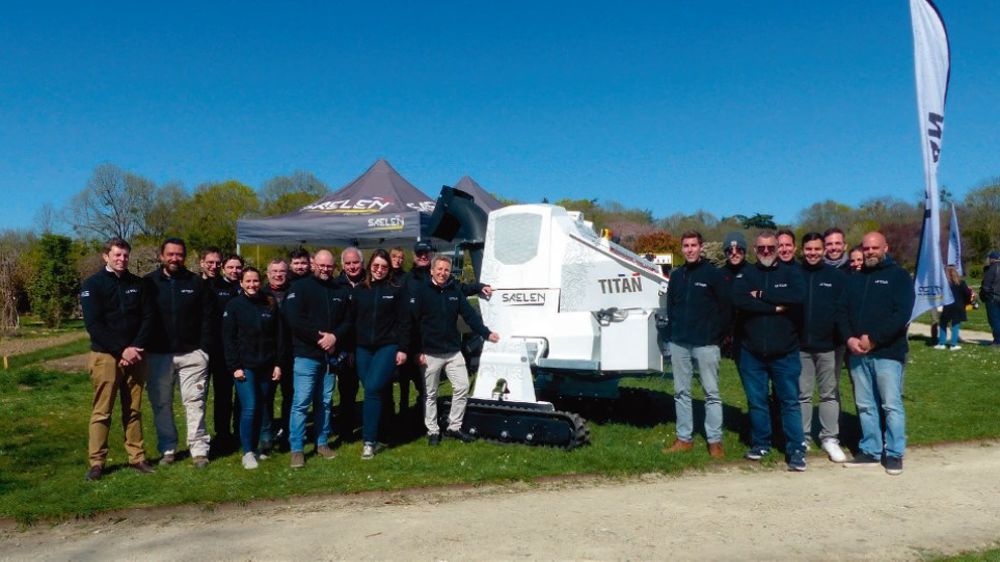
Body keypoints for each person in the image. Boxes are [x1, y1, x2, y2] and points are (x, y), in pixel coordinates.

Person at [79, 238, 155, 481]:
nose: (122, 259)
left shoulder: (138, 284)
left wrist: (133, 348)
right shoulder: (92, 285)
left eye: (125, 255)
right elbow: (95, 324)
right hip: (105, 356)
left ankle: (137, 457)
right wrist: (121, 350)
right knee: (102, 411)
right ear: (106, 256)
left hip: (136, 356)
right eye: (117, 255)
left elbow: (148, 318)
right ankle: (97, 462)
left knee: (133, 410)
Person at [731, 231, 807, 471]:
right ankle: (761, 443)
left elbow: (797, 296)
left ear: (777, 249)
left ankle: (796, 448)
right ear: (755, 250)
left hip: (785, 352)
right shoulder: (746, 274)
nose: (766, 252)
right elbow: (738, 300)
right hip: (752, 352)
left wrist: (762, 295)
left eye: (771, 248)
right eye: (761, 248)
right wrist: (774, 308)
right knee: (757, 401)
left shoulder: (791, 272)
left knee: (790, 402)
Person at [839, 232, 914, 475]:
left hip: (887, 352)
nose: (870, 252)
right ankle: (870, 449)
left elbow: (901, 314)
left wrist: (874, 339)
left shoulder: (899, 277)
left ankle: (894, 453)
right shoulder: (854, 279)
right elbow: (841, 312)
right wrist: (849, 338)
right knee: (865, 404)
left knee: (891, 404)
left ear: (886, 248)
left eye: (875, 248)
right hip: (857, 353)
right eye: (867, 248)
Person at [410, 254, 499, 445]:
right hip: (429, 353)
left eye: (446, 270)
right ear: (432, 271)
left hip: (452, 351)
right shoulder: (421, 292)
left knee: (462, 387)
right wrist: (418, 351)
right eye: (439, 269)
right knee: (430, 394)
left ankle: (454, 427)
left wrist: (486, 333)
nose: (443, 273)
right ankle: (432, 431)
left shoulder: (454, 291)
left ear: (450, 272)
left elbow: (470, 316)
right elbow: (412, 324)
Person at [144, 237, 215, 468]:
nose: (175, 258)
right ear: (161, 256)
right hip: (158, 354)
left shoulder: (196, 283)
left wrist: (203, 350)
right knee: (161, 403)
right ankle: (168, 448)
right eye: (171, 254)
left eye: (179, 254)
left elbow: (207, 318)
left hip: (192, 354)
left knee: (194, 403)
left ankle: (199, 450)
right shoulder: (149, 283)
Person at [662, 231, 730, 458]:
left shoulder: (713, 274)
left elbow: (725, 309)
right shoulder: (677, 275)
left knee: (711, 392)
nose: (690, 249)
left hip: (706, 344)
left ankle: (715, 440)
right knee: (681, 392)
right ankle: (684, 438)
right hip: (680, 342)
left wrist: (716, 336)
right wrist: (672, 333)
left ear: (701, 247)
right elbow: (671, 307)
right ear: (681, 249)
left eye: (693, 245)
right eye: (686, 246)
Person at [283, 249, 353, 468]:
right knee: (301, 402)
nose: (325, 269)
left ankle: (322, 442)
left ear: (334, 267)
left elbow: (348, 320)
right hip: (306, 355)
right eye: (321, 266)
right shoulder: (300, 288)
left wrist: (334, 337)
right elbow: (294, 319)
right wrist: (319, 339)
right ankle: (297, 448)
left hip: (330, 357)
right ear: (314, 265)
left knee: (324, 402)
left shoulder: (339, 290)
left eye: (329, 266)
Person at [223, 267, 284, 470]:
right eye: (247, 281)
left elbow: (278, 337)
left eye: (255, 281)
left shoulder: (269, 303)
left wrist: (277, 363)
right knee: (249, 407)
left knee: (262, 406)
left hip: (266, 365)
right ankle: (247, 451)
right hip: (244, 367)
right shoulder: (234, 306)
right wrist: (235, 367)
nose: (252, 285)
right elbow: (228, 339)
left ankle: (257, 446)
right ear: (241, 283)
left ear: (260, 282)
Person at [351, 249, 410, 459]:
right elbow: (352, 320)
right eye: (376, 266)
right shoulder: (359, 290)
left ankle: (369, 441)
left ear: (389, 269)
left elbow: (404, 321)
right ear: (370, 267)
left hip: (387, 346)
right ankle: (386, 431)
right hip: (363, 348)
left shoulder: (396, 289)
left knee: (373, 390)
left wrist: (402, 348)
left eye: (384, 267)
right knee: (375, 390)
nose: (379, 270)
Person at [797, 232, 848, 462]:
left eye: (817, 249)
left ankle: (830, 438)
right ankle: (803, 437)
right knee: (803, 395)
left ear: (823, 250)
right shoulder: (794, 274)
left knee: (829, 394)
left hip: (829, 346)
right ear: (802, 250)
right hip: (800, 347)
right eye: (809, 249)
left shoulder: (836, 277)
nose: (813, 253)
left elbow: (842, 311)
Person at [209, 254, 243, 452]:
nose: (234, 271)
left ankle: (239, 431)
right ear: (223, 268)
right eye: (230, 267)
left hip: (242, 351)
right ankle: (222, 434)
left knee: (241, 395)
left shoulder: (245, 287)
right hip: (220, 352)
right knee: (223, 396)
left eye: (238, 268)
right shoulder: (215, 287)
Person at [262, 258, 293, 451]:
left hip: (291, 353)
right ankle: (266, 435)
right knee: (266, 397)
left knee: (290, 395)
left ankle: (287, 432)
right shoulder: (260, 293)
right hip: (267, 355)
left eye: (282, 271)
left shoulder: (295, 291)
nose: (278, 274)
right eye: (274, 271)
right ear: (268, 274)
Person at [335, 247, 365, 440]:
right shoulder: (336, 285)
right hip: (345, 349)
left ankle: (380, 427)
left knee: (375, 389)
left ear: (362, 263)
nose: (352, 266)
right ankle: (346, 430)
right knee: (347, 391)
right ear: (342, 265)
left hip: (368, 346)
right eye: (348, 263)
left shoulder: (370, 282)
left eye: (355, 262)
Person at [936, 265, 973, 350]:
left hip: (947, 305)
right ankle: (953, 344)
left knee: (943, 323)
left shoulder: (944, 284)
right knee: (955, 324)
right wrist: (967, 302)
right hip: (958, 306)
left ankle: (941, 343)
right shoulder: (961, 283)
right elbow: (967, 294)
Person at [981, 251, 1000, 346]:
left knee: (994, 320)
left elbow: (986, 286)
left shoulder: (991, 269)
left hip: (993, 298)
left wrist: (984, 296)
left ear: (992, 259)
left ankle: (997, 341)